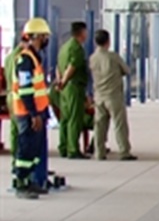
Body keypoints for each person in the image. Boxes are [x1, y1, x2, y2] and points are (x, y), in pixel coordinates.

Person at [11, 18, 53, 199]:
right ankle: (21, 183)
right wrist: (34, 114)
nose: (46, 40)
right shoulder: (25, 61)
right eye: (44, 36)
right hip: (28, 113)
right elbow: (25, 90)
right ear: (35, 37)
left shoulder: (34, 58)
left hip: (37, 112)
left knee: (34, 150)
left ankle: (29, 182)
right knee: (25, 149)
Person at [89, 29, 136, 161]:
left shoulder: (92, 58)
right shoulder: (113, 57)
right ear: (108, 41)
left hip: (99, 96)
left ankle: (99, 152)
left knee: (99, 125)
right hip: (113, 95)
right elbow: (126, 70)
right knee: (119, 124)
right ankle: (124, 151)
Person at [56, 21, 89, 159]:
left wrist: (60, 82)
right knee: (75, 118)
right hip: (73, 86)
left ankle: (63, 147)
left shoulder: (64, 47)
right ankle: (73, 149)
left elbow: (58, 66)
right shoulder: (76, 48)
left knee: (65, 118)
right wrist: (64, 81)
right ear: (81, 33)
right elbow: (72, 66)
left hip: (63, 88)